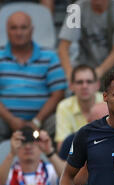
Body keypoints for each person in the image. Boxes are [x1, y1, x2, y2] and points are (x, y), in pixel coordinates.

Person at [0, 11, 67, 142]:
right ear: (7, 31)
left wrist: (37, 121)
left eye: (23, 27)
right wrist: (11, 119)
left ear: (31, 30)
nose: (19, 32)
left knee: (60, 120)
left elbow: (58, 93)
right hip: (4, 120)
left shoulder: (50, 56)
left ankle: (56, 162)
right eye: (14, 28)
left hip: (43, 120)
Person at [58, 0, 114, 82]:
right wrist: (70, 74)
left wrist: (96, 74)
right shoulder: (76, 8)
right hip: (84, 66)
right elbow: (63, 47)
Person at [0, 126, 64, 185]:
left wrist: (49, 151)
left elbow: (71, 180)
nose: (28, 147)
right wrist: (11, 154)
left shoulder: (52, 170)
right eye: (23, 143)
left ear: (40, 146)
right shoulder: (8, 173)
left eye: (33, 142)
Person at [55, 64, 104, 151]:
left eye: (89, 81)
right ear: (71, 86)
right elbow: (62, 149)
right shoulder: (64, 107)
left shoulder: (108, 103)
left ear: (97, 85)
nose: (84, 86)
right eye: (79, 82)